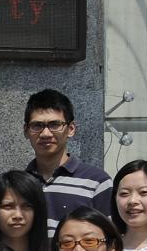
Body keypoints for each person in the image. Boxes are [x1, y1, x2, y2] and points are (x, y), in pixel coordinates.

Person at [22, 89, 113, 231]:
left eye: (55, 125)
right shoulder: (20, 184)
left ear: (71, 129)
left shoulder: (97, 182)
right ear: (26, 131)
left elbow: (109, 236)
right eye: (37, 126)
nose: (45, 133)